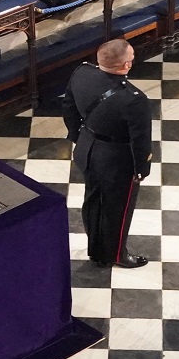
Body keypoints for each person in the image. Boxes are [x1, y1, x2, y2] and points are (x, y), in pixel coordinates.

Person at [65, 39, 153, 268]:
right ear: (125, 66)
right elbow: (140, 140)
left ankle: (96, 246)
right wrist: (141, 169)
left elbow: (69, 108)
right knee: (117, 210)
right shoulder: (134, 100)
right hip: (116, 160)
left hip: (87, 149)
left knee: (93, 201)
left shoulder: (81, 73)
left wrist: (78, 137)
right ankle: (115, 255)